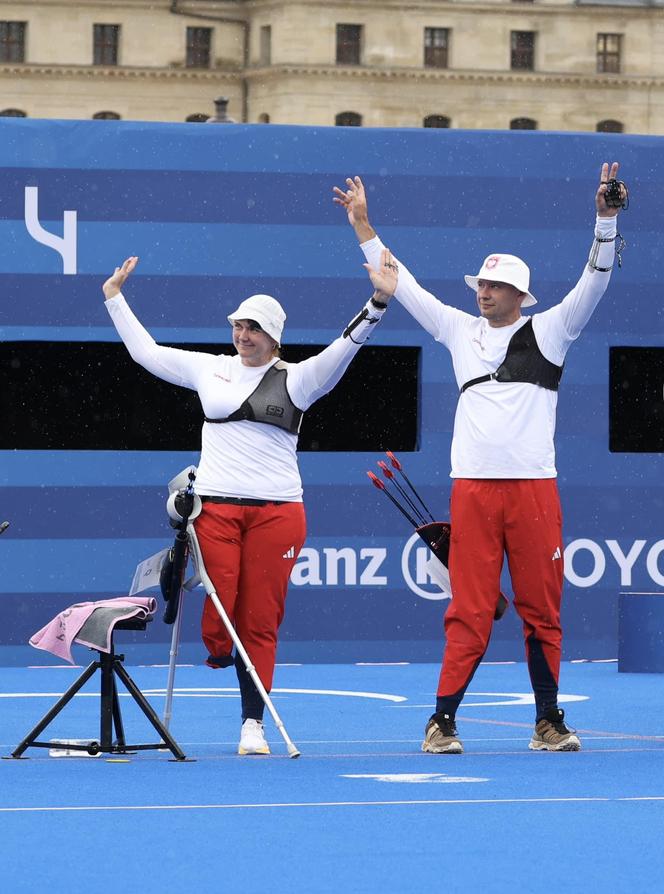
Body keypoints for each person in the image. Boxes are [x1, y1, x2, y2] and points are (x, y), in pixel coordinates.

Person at [334, 163, 627, 754]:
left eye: (493, 287)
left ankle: (548, 721)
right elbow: (403, 282)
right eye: (480, 285)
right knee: (469, 609)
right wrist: (364, 227)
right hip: (472, 492)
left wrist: (606, 219)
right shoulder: (457, 329)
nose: (482, 292)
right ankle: (441, 722)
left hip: (534, 492)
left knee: (542, 610)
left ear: (520, 296)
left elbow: (594, 280)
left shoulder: (553, 330)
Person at [102, 253, 395, 754]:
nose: (243, 335)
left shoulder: (301, 379)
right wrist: (115, 298)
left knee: (259, 619)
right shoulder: (208, 369)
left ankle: (252, 724)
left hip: (278, 514)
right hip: (214, 511)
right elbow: (146, 352)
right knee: (220, 612)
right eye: (238, 325)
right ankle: (219, 649)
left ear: (274, 337)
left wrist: (378, 302)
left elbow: (347, 347)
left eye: (253, 328)